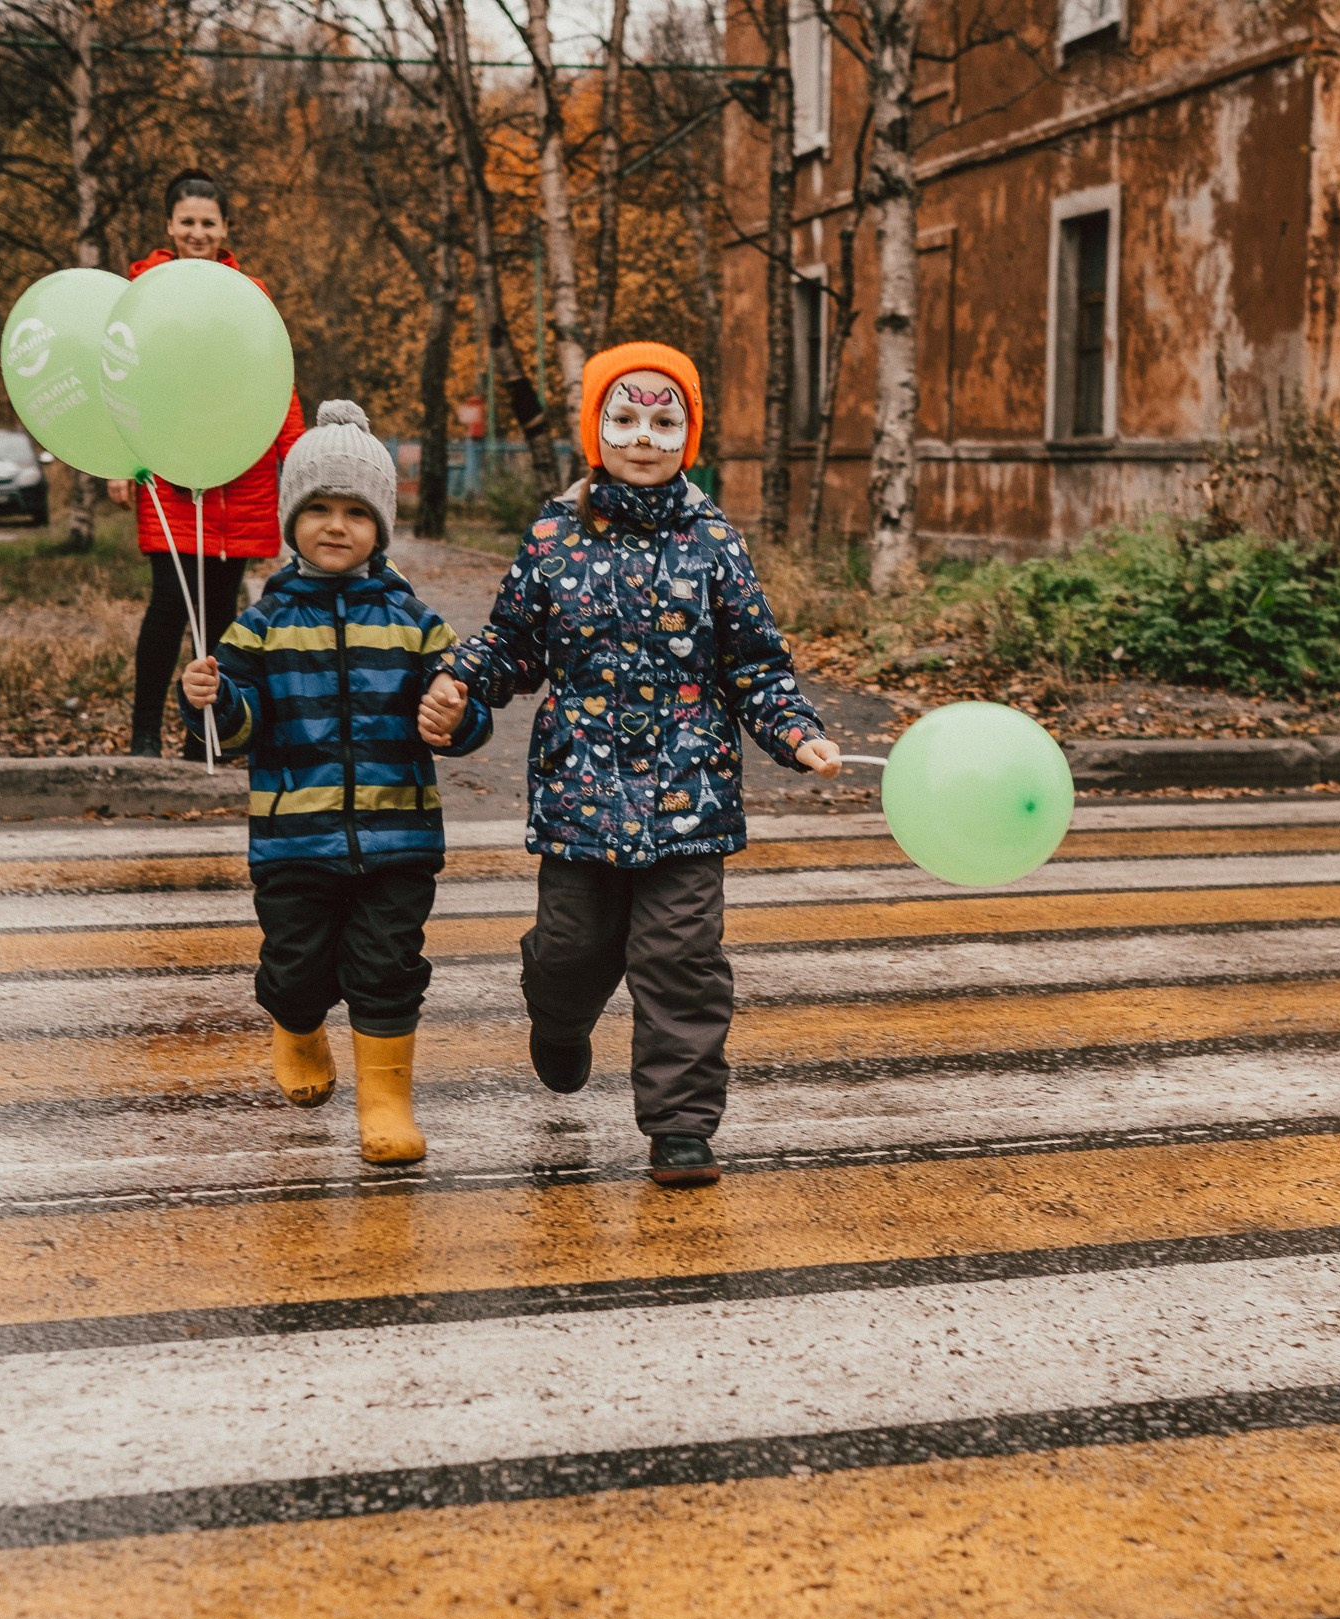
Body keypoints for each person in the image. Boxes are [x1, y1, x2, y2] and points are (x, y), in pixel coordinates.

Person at [419, 343, 843, 1187]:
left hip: (691, 798)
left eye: (663, 420)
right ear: (595, 429)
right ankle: (560, 1020)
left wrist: (795, 730)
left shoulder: (715, 540)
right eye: (624, 418)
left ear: (687, 434)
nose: (643, 437)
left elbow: (755, 662)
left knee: (680, 958)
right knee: (573, 950)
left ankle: (680, 1126)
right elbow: (513, 642)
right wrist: (462, 682)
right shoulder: (554, 534)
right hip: (581, 792)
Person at [181, 402, 493, 1165]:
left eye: (355, 511)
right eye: (316, 507)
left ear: (380, 526)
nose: (334, 525)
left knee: (389, 968)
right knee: (296, 969)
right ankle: (295, 1024)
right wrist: (212, 700)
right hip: (294, 840)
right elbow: (234, 730)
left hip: (399, 838)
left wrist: (454, 714)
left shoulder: (416, 621)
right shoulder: (259, 626)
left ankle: (386, 1103)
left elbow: (464, 709)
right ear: (290, 519)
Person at [114, 169, 303, 759]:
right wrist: (120, 463)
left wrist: (298, 462)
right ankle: (145, 736)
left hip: (240, 481)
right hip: (169, 478)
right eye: (188, 222)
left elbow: (276, 380)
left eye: (209, 223)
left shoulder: (250, 294)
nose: (199, 232)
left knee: (222, 620)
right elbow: (118, 381)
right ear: (170, 226)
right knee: (169, 606)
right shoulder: (141, 291)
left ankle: (209, 738)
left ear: (225, 229)